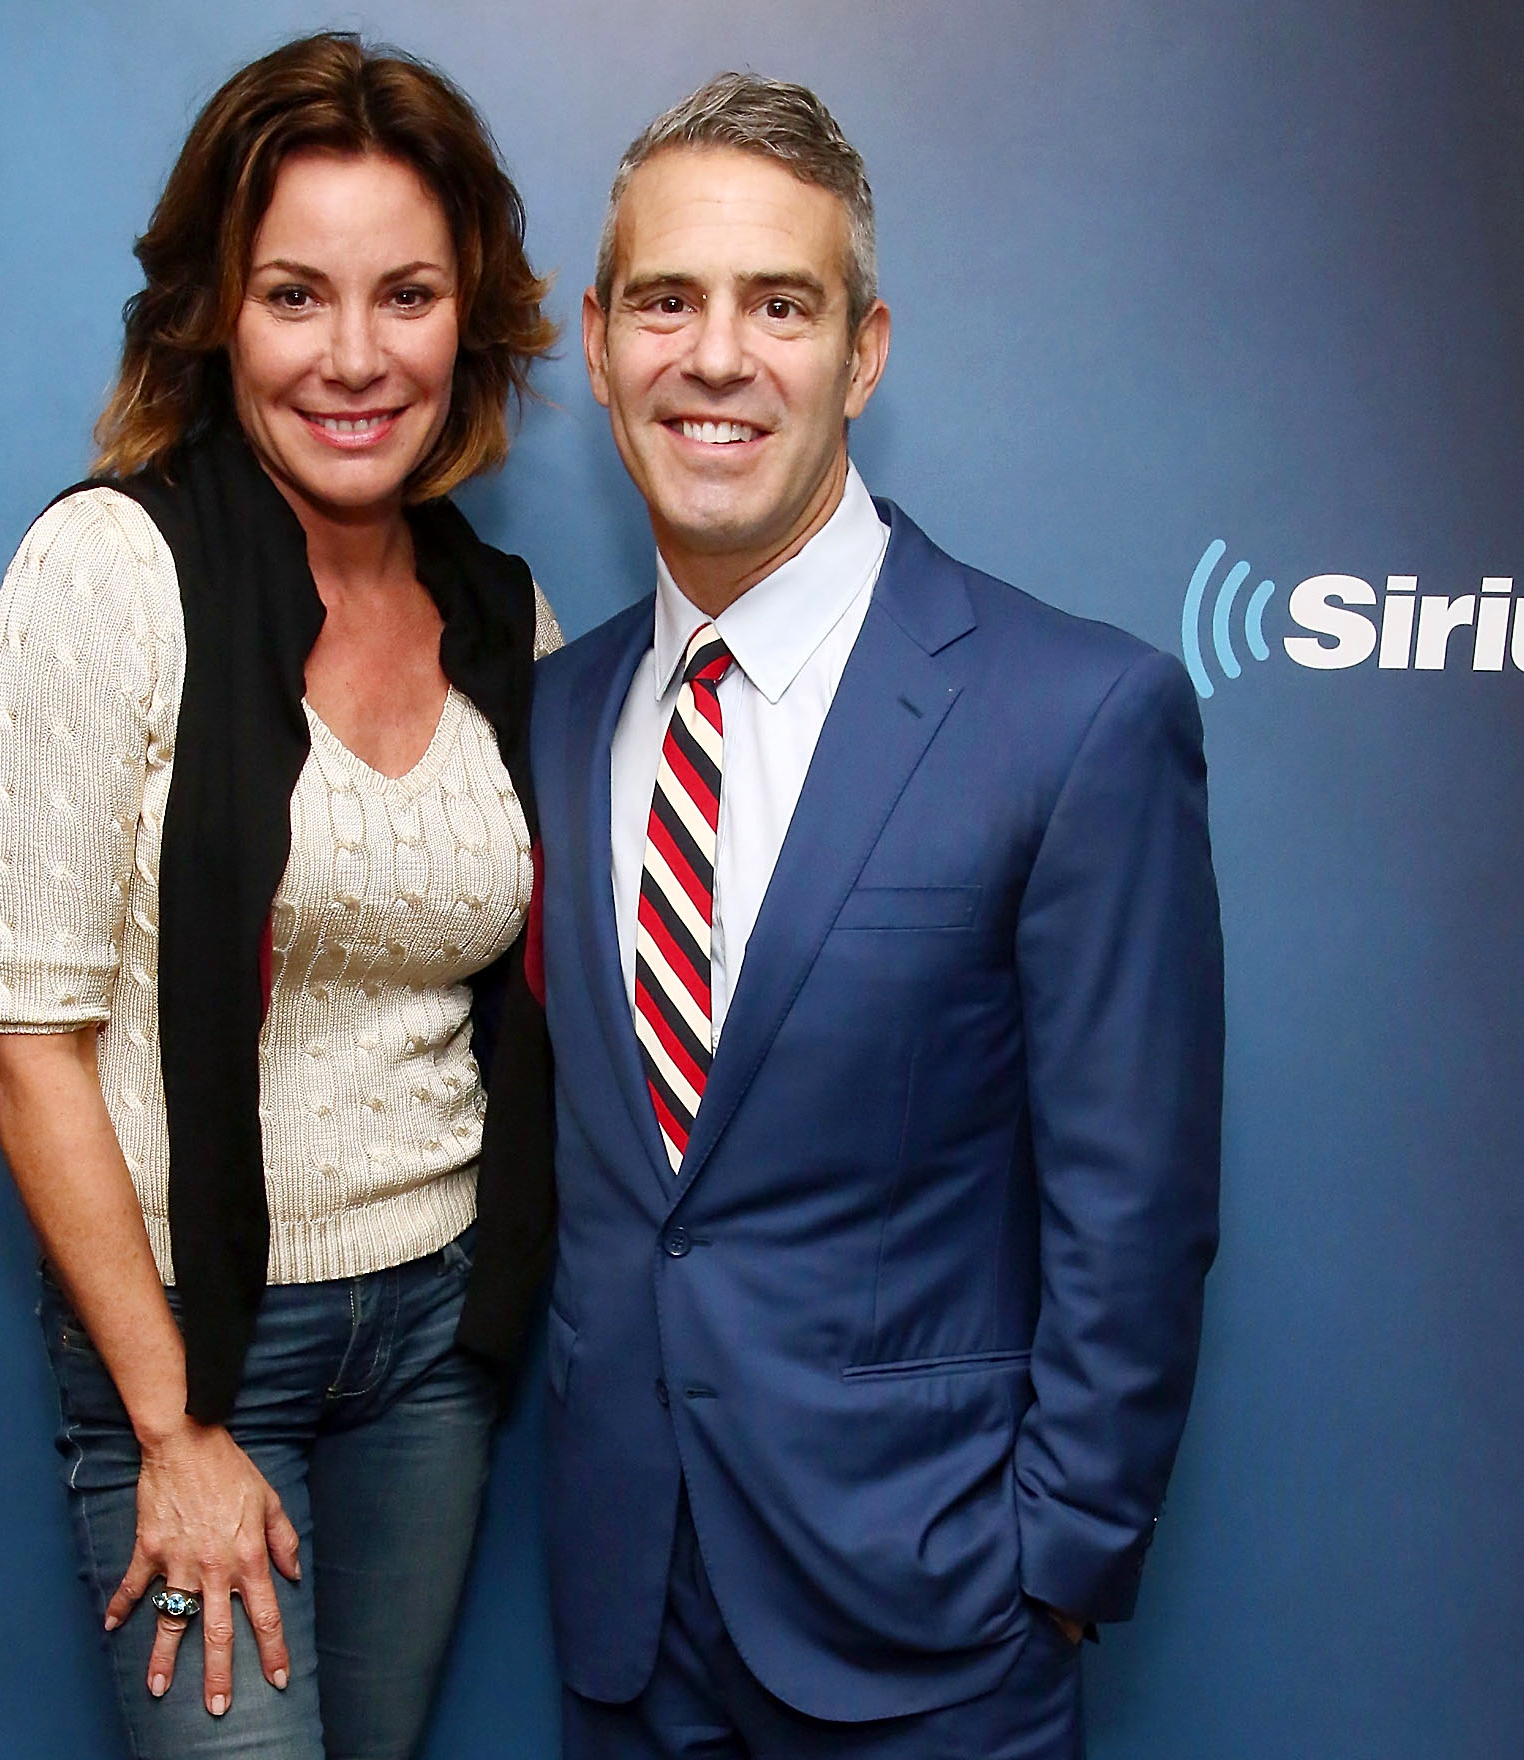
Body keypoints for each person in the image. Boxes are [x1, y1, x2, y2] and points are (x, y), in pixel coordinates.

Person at [530, 73, 1224, 1758]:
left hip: (933, 1634)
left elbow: (1133, 1205)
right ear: (599, 336)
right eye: (668, 302)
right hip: (625, 1616)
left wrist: (1049, 1568)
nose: (716, 357)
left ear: (864, 350)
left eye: (781, 304)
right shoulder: (551, 716)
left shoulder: (1075, 713)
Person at [0, 33, 559, 1759]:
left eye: (408, 295)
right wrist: (171, 1426)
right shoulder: (110, 570)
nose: (355, 358)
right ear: (218, 314)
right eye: (297, 295)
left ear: (474, 317)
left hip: (437, 1339)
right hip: (197, 1351)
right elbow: (25, 1042)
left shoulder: (508, 619)